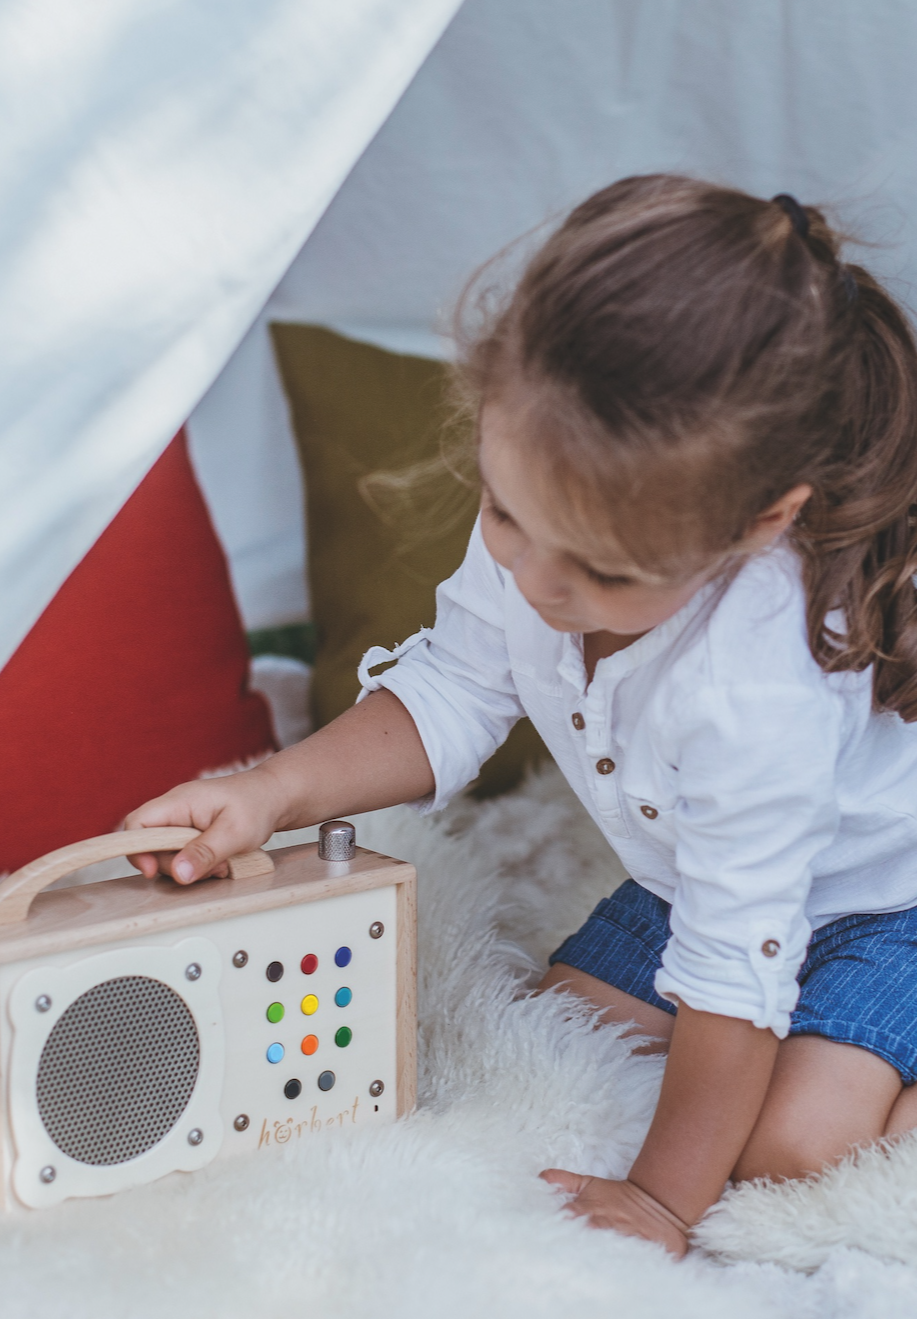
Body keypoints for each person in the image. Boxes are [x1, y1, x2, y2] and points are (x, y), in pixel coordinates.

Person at [125, 175, 917, 1257]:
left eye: (601, 570)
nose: (535, 578)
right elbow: (451, 687)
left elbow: (737, 959)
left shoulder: (755, 687)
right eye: (505, 511)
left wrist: (661, 1199)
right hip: (693, 876)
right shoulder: (552, 512)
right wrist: (268, 791)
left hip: (886, 899)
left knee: (789, 1139)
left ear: (758, 521)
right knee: (555, 1026)